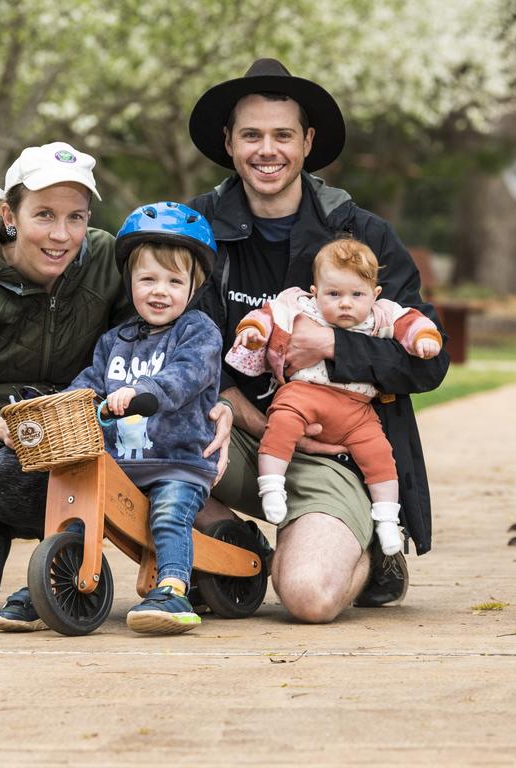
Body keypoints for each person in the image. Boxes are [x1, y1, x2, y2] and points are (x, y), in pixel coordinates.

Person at [0, 141, 233, 630]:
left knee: (15, 474)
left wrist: (217, 400)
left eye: (75, 217)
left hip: (69, 450)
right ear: (9, 215)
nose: (61, 235)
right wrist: (3, 429)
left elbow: (169, 335)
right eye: (44, 215)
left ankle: (150, 561)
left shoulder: (108, 259)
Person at [187, 58, 450, 623]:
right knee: (133, 448)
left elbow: (429, 363)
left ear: (307, 142)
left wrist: (332, 345)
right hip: (230, 440)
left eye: (283, 135)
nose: (267, 150)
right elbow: (169, 341)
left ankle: (369, 551)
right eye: (252, 134)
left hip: (334, 451)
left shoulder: (361, 236)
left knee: (305, 597)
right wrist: (248, 415)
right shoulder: (194, 230)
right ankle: (234, 545)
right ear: (229, 142)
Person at [226, 238, 442, 557]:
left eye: (357, 295)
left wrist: (424, 339)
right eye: (334, 294)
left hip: (356, 410)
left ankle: (385, 517)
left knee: (379, 453)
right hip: (302, 394)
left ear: (374, 294)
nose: (345, 303)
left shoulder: (380, 315)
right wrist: (252, 330)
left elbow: (412, 323)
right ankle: (272, 486)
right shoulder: (302, 306)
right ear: (315, 292)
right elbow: (268, 314)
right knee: (281, 423)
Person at [64, 202, 223, 634]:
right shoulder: (115, 339)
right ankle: (56, 581)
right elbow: (89, 383)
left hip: (178, 462)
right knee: (81, 510)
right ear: (129, 282)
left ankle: (173, 588)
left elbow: (185, 376)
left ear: (195, 285)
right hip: (124, 466)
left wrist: (143, 392)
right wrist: (60, 405)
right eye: (147, 279)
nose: (159, 291)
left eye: (174, 281)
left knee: (169, 514)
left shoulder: (198, 331)